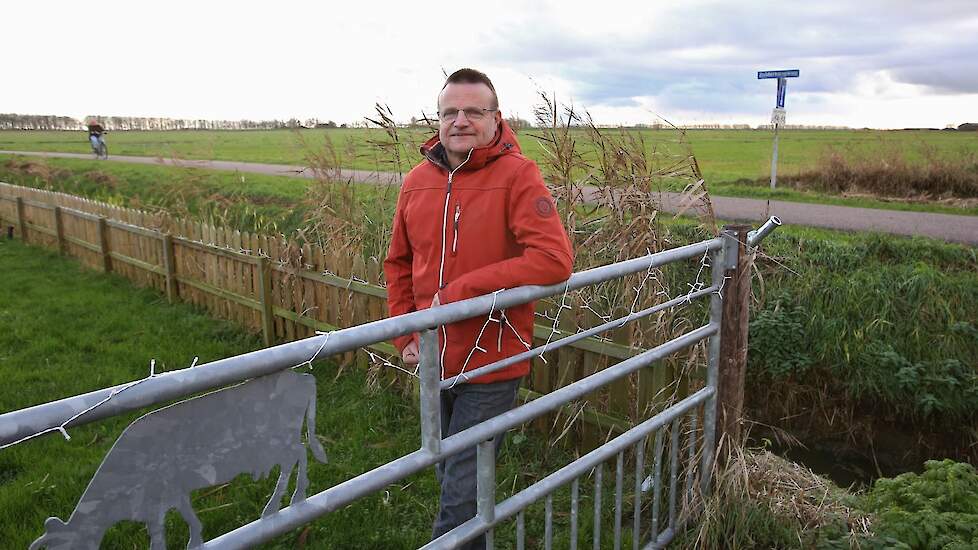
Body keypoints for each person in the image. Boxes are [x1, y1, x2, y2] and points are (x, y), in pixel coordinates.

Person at [383, 68, 574, 548]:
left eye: (474, 111)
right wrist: (406, 335)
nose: (460, 121)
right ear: (438, 118)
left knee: (458, 497)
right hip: (433, 356)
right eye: (451, 111)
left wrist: (465, 290)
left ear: (495, 119)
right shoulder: (417, 182)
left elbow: (554, 260)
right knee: (453, 474)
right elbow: (398, 263)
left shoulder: (517, 175)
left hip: (493, 358)